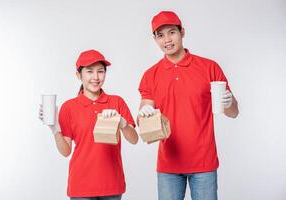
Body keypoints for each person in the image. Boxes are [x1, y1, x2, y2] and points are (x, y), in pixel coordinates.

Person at [138, 11, 239, 200]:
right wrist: (144, 113)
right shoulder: (150, 74)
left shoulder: (209, 67)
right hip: (168, 166)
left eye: (171, 32)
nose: (167, 40)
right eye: (160, 35)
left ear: (182, 32)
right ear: (155, 39)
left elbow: (233, 113)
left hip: (204, 163)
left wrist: (229, 101)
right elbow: (143, 117)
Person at [39, 49, 138, 200]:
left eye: (100, 71)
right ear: (79, 75)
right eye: (89, 72)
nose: (96, 77)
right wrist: (55, 129)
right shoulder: (69, 107)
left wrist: (123, 123)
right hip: (81, 186)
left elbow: (134, 139)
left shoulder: (116, 102)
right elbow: (66, 151)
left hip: (111, 186)